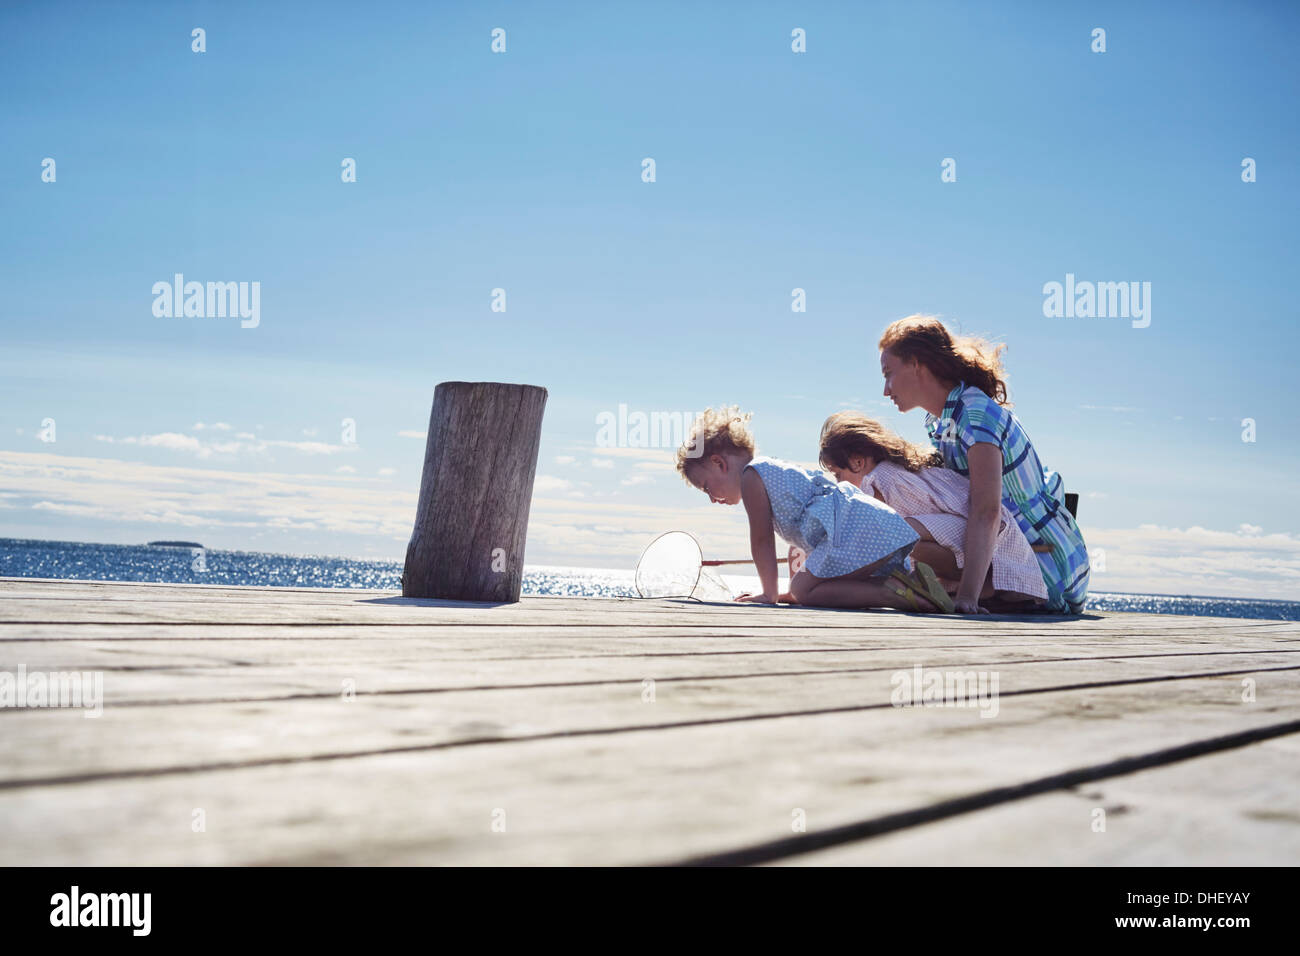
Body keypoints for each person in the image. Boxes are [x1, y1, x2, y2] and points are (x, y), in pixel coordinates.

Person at [878, 314, 1090, 613]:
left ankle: (978, 590)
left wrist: (967, 597)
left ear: (916, 363)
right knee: (900, 543)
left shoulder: (975, 415)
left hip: (1047, 566)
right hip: (1005, 548)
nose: (886, 389)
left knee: (905, 544)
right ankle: (968, 588)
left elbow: (986, 510)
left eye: (888, 373)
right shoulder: (940, 421)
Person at [674, 405, 953, 612]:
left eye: (707, 487)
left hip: (856, 530)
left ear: (719, 463)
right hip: (868, 526)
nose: (712, 498)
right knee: (802, 590)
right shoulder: (772, 473)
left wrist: (768, 594)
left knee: (802, 590)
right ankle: (913, 591)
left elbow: (761, 540)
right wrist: (787, 592)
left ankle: (894, 593)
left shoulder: (751, 476)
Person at [818, 411, 1048, 608]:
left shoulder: (882, 478)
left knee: (895, 532)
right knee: (899, 537)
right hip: (978, 540)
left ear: (857, 462)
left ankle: (986, 586)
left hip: (989, 541)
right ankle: (979, 587)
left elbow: (881, 536)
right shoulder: (893, 476)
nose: (840, 483)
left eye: (838, 474)